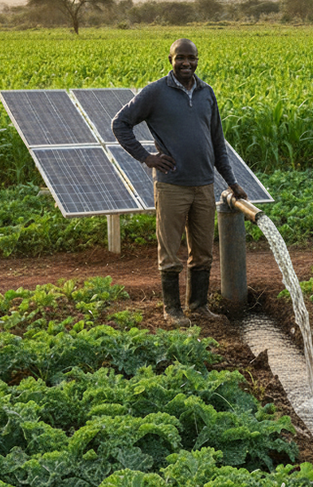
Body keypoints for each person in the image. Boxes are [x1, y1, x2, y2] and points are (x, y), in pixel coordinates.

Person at [112, 38, 248, 327]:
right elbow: (120, 123)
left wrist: (231, 181)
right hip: (172, 185)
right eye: (180, 58)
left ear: (198, 59)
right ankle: (172, 310)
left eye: (192, 58)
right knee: (170, 251)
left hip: (203, 185)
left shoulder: (206, 93)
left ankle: (198, 306)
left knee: (203, 251)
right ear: (170, 60)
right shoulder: (155, 93)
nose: (187, 63)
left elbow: (217, 142)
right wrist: (146, 157)